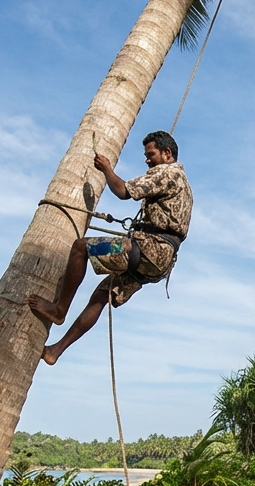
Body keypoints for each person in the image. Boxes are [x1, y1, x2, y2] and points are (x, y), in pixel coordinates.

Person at [27, 131, 192, 365]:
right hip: (159, 262)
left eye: (151, 154)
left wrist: (106, 168)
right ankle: (55, 351)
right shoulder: (184, 183)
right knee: (100, 296)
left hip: (146, 249)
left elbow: (124, 191)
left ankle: (59, 309)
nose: (147, 160)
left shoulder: (168, 172)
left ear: (167, 154)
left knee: (80, 248)